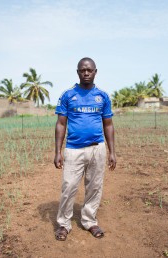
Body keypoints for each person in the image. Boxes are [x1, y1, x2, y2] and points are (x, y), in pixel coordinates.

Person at [54, 57, 116, 241]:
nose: (86, 73)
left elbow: (109, 125)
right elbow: (60, 124)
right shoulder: (68, 95)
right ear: (78, 72)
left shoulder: (102, 96)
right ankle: (64, 224)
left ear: (95, 71)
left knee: (94, 186)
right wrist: (58, 151)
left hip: (97, 148)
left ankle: (89, 221)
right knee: (69, 186)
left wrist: (112, 151)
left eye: (89, 70)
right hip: (73, 149)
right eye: (83, 70)